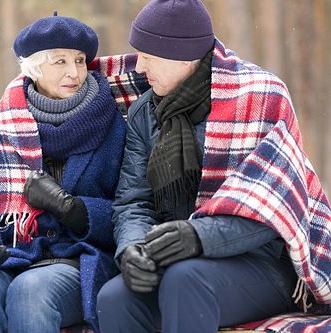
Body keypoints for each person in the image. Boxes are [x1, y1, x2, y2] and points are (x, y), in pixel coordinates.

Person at [96, 0, 331, 332]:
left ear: (182, 56)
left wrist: (198, 237)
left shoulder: (261, 99)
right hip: (176, 254)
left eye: (148, 56)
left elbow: (274, 206)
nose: (138, 67)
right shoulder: (145, 113)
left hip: (261, 261)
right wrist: (132, 249)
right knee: (114, 297)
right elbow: (133, 201)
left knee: (185, 280)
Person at [0, 12, 125, 333]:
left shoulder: (113, 126)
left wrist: (71, 209)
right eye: (60, 62)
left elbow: (133, 212)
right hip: (10, 255)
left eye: (80, 61)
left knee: (30, 293)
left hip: (79, 260)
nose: (75, 72)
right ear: (34, 67)